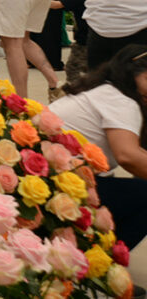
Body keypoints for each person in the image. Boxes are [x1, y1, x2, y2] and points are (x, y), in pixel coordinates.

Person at [51, 44, 147, 251]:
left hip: (48, 176)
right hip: (56, 185)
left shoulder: (103, 89)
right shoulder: (121, 101)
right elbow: (128, 156)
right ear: (130, 74)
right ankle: (101, 262)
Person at [50, 0, 90, 81]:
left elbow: (57, 5)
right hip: (89, 39)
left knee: (73, 69)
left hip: (84, 42)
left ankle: (77, 92)